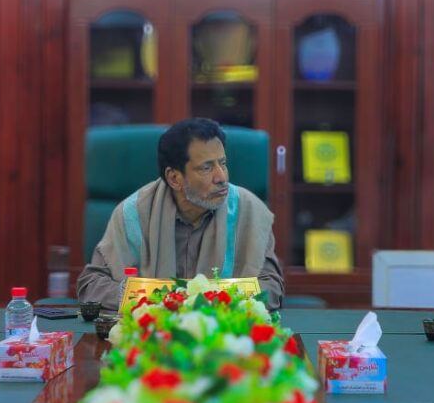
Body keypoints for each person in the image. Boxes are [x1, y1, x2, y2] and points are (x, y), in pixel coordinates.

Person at [77, 118, 284, 310]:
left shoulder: (248, 211)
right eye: (206, 168)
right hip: (153, 332)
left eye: (222, 163)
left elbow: (272, 287)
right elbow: (91, 284)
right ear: (174, 178)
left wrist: (212, 302)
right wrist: (155, 300)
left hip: (224, 332)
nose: (221, 177)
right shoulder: (133, 213)